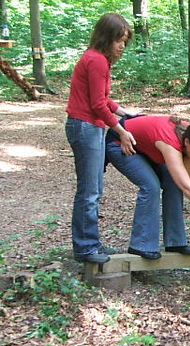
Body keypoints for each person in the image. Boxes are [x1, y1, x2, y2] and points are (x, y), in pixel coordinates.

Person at [105, 116, 190, 259]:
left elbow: (186, 179)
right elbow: (186, 187)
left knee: (173, 182)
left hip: (146, 149)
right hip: (121, 143)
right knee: (151, 186)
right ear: (187, 142)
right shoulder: (171, 143)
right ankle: (141, 245)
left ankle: (175, 242)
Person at [65, 13, 136, 264]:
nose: (121, 46)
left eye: (125, 41)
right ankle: (85, 248)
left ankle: (90, 242)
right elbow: (97, 105)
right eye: (119, 40)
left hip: (89, 126)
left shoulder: (98, 60)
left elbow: (104, 100)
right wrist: (121, 129)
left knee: (94, 187)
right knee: (90, 190)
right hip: (85, 126)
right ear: (106, 37)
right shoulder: (96, 61)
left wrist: (124, 111)